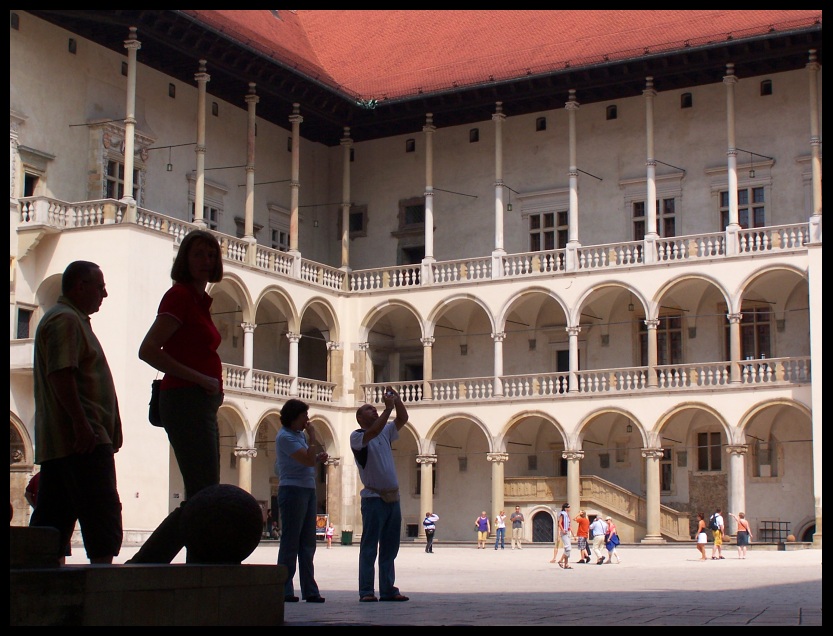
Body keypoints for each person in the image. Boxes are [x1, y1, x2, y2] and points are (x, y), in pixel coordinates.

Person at [127, 230, 224, 564]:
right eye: (198, 254)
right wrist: (200, 379)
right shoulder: (179, 296)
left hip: (199, 402)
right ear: (185, 259)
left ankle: (198, 560)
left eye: (211, 255)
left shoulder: (200, 301)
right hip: (186, 400)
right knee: (202, 494)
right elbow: (149, 350)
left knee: (205, 492)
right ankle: (149, 560)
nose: (206, 261)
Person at [30, 260, 123, 564]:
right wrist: (82, 425)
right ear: (80, 286)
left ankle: (42, 583)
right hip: (83, 442)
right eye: (100, 286)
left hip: (68, 442)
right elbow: (62, 374)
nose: (105, 294)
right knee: (101, 517)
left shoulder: (69, 319)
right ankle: (101, 589)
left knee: (53, 520)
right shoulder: (66, 320)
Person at [351, 386, 410, 602]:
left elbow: (403, 418)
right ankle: (366, 590)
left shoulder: (385, 432)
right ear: (359, 418)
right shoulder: (357, 437)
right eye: (368, 409)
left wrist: (397, 399)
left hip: (392, 498)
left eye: (374, 409)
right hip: (373, 499)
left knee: (389, 547)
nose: (373, 410)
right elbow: (373, 431)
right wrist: (387, 409)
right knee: (369, 546)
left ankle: (387, 589)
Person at [275, 398, 327, 603]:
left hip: (307, 489)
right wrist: (313, 437)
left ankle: (309, 589)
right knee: (290, 542)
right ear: (294, 417)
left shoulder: (297, 435)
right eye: (304, 414)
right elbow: (305, 459)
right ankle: (285, 588)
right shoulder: (285, 437)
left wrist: (317, 458)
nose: (307, 418)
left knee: (308, 542)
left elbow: (307, 460)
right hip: (292, 489)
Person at [556, 503, 573, 569]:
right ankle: (560, 560)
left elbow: (569, 524)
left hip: (568, 532)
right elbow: (559, 523)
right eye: (569, 507)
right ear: (566, 508)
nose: (570, 508)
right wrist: (562, 530)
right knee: (568, 548)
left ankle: (566, 564)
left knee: (567, 549)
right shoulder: (562, 514)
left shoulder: (567, 515)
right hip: (564, 532)